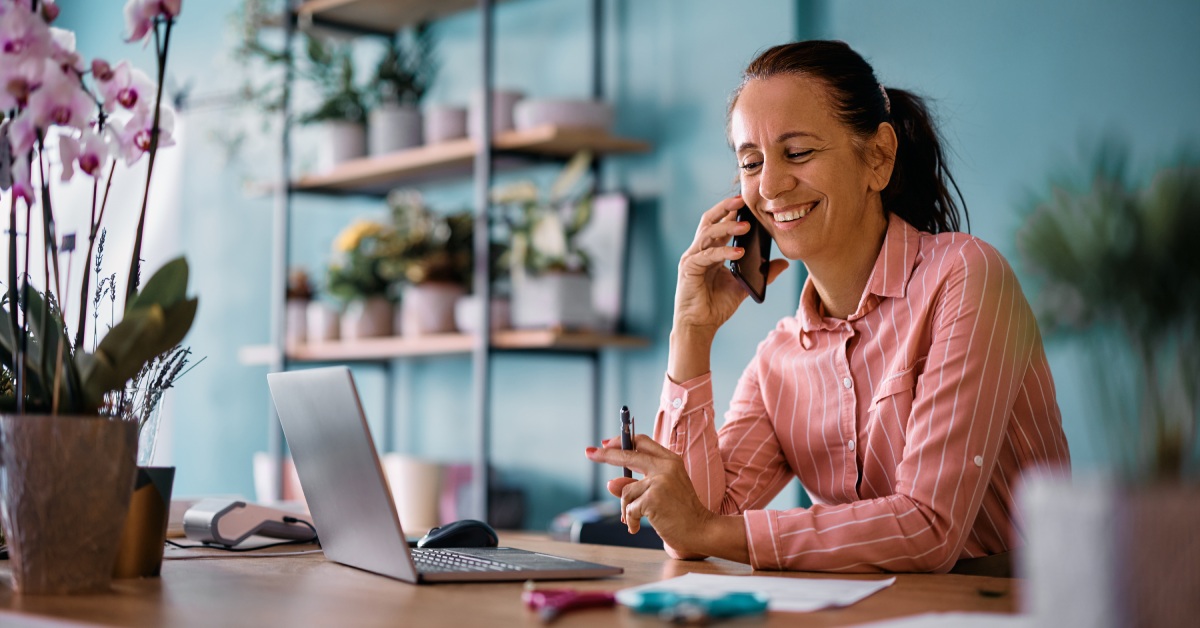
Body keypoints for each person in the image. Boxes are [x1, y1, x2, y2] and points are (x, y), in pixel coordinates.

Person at [585, 40, 1070, 574]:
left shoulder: (965, 277)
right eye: (752, 162)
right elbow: (694, 529)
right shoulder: (779, 362)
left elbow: (929, 526)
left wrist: (707, 529)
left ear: (879, 157)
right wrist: (690, 334)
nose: (769, 186)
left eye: (798, 153)